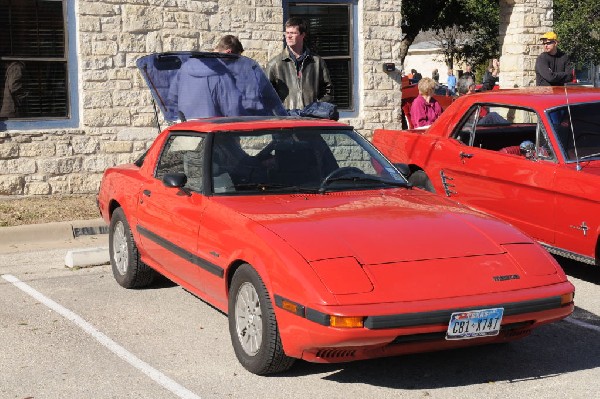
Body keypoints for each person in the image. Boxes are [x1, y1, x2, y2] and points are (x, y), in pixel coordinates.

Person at [266, 17, 333, 110]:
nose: (288, 36)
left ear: (303, 35)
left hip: (312, 118)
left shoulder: (317, 62)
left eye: (293, 33)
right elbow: (266, 95)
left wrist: (316, 108)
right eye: (287, 33)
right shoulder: (275, 64)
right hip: (287, 119)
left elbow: (328, 91)